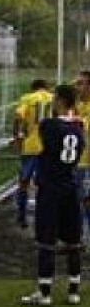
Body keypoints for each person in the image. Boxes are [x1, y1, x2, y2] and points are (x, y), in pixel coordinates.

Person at [21, 84, 85, 307]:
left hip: (51, 188)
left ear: (60, 100)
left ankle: (45, 292)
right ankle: (74, 291)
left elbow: (43, 140)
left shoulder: (49, 125)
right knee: (73, 241)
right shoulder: (79, 127)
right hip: (71, 186)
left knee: (46, 241)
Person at [13, 79, 53, 229]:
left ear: (33, 88)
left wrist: (16, 136)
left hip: (30, 145)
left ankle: (22, 216)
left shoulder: (28, 98)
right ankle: (44, 217)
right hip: (48, 146)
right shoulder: (53, 98)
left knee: (24, 182)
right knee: (45, 183)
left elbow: (18, 116)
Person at [74, 71, 90, 239]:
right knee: (77, 201)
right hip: (78, 162)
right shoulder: (78, 106)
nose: (77, 87)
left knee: (86, 201)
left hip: (87, 163)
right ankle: (76, 238)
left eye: (80, 83)